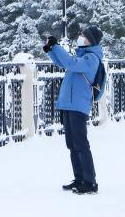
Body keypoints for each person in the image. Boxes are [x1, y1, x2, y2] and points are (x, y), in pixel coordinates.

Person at [43, 25, 104, 195]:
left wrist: (57, 46)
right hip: (68, 105)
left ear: (91, 40)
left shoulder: (92, 59)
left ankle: (90, 182)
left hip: (78, 106)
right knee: (72, 144)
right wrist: (51, 50)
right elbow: (62, 63)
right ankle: (79, 178)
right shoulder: (81, 56)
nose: (81, 38)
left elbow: (70, 63)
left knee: (81, 144)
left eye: (84, 36)